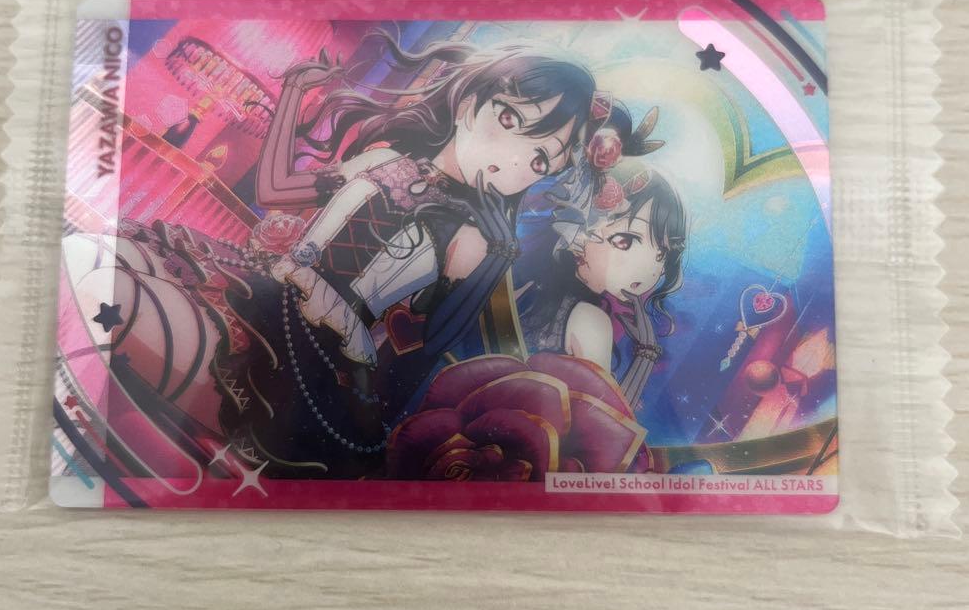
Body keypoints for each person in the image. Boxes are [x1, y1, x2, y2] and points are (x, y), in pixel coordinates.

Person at [96, 35, 610, 478]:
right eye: (509, 118)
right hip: (260, 290)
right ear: (467, 104)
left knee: (115, 291)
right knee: (113, 254)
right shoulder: (386, 160)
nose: (513, 159)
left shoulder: (472, 243)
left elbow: (409, 363)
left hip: (306, 358)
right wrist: (294, 92)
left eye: (539, 159)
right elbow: (275, 190)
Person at [520, 107, 686, 415]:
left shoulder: (529, 292)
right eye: (625, 241)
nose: (649, 270)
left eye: (662, 254)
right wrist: (646, 353)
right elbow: (600, 428)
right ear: (577, 231)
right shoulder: (589, 321)